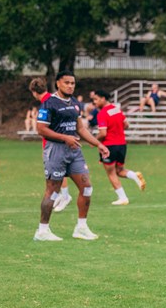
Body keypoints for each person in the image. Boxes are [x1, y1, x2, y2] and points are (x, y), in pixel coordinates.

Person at [34, 70, 110, 241]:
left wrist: (98, 144)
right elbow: (41, 129)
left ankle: (81, 228)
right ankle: (42, 231)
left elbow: (81, 128)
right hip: (56, 150)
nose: (70, 86)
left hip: (74, 150)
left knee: (87, 187)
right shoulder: (49, 103)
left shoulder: (75, 103)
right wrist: (64, 137)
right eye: (66, 82)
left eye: (73, 83)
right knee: (53, 192)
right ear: (58, 83)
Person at [91, 89, 146, 205]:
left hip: (109, 146)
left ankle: (123, 198)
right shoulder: (116, 109)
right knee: (119, 170)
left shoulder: (102, 113)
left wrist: (94, 141)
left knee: (111, 173)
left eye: (96, 99)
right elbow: (126, 124)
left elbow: (103, 133)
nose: (94, 102)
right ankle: (134, 175)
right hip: (122, 145)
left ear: (103, 99)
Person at [29, 77, 72, 213]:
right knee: (53, 172)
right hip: (53, 142)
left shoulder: (48, 102)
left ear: (34, 92)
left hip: (53, 143)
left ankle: (65, 196)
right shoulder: (52, 99)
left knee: (58, 171)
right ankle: (58, 195)